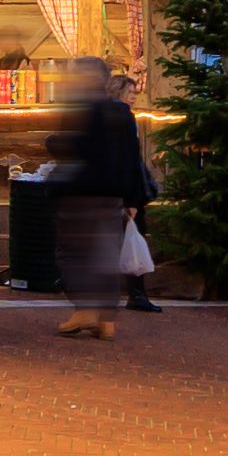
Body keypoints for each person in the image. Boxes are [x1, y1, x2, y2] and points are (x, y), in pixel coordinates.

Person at [42, 54, 159, 338]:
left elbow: (71, 146)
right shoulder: (122, 114)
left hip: (79, 194)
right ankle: (106, 319)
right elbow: (132, 158)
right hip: (112, 195)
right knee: (105, 254)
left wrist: (52, 142)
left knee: (72, 253)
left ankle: (84, 310)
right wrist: (132, 200)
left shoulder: (78, 110)